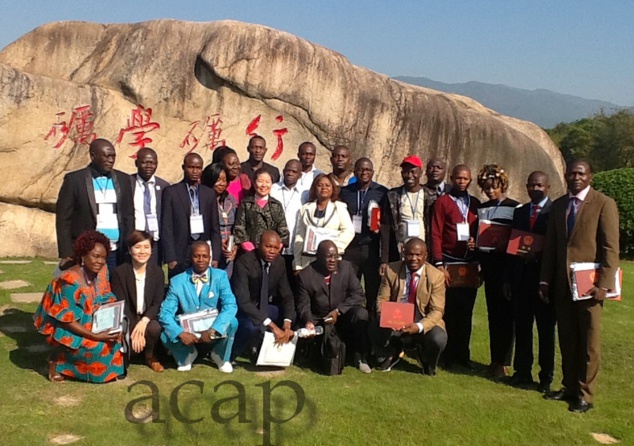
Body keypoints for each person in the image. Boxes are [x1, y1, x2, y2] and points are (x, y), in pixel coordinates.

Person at [540, 160, 619, 413]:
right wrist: (545, 280)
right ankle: (569, 387)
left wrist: (604, 285)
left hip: (591, 286)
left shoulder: (603, 204)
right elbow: (552, 246)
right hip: (563, 285)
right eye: (571, 173)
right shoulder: (560, 205)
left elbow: (610, 248)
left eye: (581, 173)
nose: (576, 177)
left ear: (590, 177)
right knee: (568, 339)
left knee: (589, 342)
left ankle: (585, 394)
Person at [34, 230, 124, 383]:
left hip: (93, 319)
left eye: (103, 257)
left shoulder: (102, 271)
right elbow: (65, 320)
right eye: (95, 256)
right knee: (96, 347)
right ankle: (56, 362)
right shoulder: (69, 280)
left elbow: (107, 296)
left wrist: (112, 324)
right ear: (83, 256)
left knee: (114, 340)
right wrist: (95, 335)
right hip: (71, 325)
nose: (100, 261)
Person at [504, 171, 556, 392]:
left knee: (545, 331)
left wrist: (538, 256)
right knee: (523, 328)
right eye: (531, 185)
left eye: (539, 185)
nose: (535, 188)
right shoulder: (521, 212)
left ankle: (546, 377)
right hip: (520, 279)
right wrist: (507, 279)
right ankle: (522, 372)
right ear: (526, 187)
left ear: (548, 187)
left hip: (543, 280)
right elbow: (512, 246)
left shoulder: (555, 212)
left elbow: (556, 247)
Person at [371, 238, 447, 375]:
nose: (413, 258)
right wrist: (385, 317)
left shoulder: (436, 276)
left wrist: (419, 326)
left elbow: (437, 310)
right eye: (410, 254)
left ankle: (426, 361)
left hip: (422, 319)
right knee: (374, 324)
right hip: (396, 319)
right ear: (403, 254)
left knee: (438, 337)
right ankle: (389, 354)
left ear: (425, 256)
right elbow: (382, 299)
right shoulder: (391, 270)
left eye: (418, 255)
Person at [158, 242, 238, 373]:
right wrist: (180, 333)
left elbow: (230, 305)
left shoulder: (220, 276)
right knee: (165, 335)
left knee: (233, 322)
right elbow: (165, 312)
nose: (201, 260)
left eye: (205, 256)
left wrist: (214, 329)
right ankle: (187, 354)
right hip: (189, 329)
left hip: (211, 326)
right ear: (190, 257)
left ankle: (219, 355)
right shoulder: (177, 281)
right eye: (197, 256)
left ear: (210, 257)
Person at [56, 138, 134, 271]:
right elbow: (63, 218)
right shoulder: (74, 180)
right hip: (88, 252)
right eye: (106, 156)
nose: (111, 160)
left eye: (113, 156)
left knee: (113, 289)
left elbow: (129, 214)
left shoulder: (123, 179)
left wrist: (130, 244)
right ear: (93, 156)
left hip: (116, 250)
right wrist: (66, 252)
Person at [430, 164, 480, 370]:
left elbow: (481, 231)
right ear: (451, 178)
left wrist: (475, 246)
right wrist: (439, 263)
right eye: (458, 178)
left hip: (468, 264)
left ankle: (463, 354)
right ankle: (447, 355)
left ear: (470, 181)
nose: (461, 181)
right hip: (448, 263)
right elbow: (436, 232)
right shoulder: (442, 202)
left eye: (465, 179)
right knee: (448, 311)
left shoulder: (475, 203)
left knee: (466, 313)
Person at [296, 241, 371, 373]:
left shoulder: (346, 268)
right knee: (300, 328)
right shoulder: (306, 276)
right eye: (328, 257)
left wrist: (338, 311)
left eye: (335, 256)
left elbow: (358, 295)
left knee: (361, 314)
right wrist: (308, 321)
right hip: (320, 319)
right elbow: (304, 304)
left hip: (342, 315)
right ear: (318, 257)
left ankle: (360, 356)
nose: (333, 260)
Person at [476, 164, 519, 379]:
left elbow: (518, 239)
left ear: (502, 185)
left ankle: (504, 362)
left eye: (494, 187)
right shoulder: (482, 209)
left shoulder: (515, 207)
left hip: (506, 266)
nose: (490, 191)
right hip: (489, 266)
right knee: (493, 314)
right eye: (486, 187)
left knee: (507, 315)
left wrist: (506, 243)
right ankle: (494, 360)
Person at [231, 231, 296, 362]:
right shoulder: (244, 263)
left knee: (289, 313)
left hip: (265, 306)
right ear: (258, 245)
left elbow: (287, 295)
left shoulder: (279, 262)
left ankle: (277, 353)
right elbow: (243, 301)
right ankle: (233, 353)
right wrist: (272, 326)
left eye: (276, 248)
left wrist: (287, 323)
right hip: (244, 310)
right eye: (268, 247)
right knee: (252, 326)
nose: (272, 251)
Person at [110, 230, 165, 372]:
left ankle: (150, 356)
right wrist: (135, 328)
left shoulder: (157, 272)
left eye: (146, 247)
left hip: (147, 318)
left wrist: (143, 322)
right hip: (127, 317)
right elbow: (121, 304)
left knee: (154, 328)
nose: (142, 251)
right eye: (137, 247)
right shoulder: (119, 273)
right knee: (128, 343)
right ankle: (129, 353)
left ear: (152, 250)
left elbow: (157, 303)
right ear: (129, 250)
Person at [340, 158, 387, 317]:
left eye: (368, 170)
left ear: (372, 173)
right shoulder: (345, 192)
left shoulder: (382, 192)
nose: (364, 173)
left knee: (373, 289)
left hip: (371, 248)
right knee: (349, 289)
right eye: (361, 169)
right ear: (354, 172)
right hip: (350, 248)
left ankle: (371, 323)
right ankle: (350, 322)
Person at [161, 153, 222, 278]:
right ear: (184, 167)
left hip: (202, 250)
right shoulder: (171, 192)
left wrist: (215, 256)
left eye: (198, 168)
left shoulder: (209, 193)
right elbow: (166, 227)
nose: (195, 171)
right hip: (180, 252)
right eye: (191, 167)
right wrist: (170, 257)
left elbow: (215, 227)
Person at [293, 173, 355, 271]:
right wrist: (297, 263)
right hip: (308, 261)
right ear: (314, 188)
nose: (324, 188)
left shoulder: (339, 208)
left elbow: (349, 232)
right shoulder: (305, 209)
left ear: (332, 188)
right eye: (320, 185)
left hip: (331, 261)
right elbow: (299, 236)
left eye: (327, 185)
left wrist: (332, 248)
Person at [380, 155, 426, 270]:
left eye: (413, 171)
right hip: (400, 251)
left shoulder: (430, 196)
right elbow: (385, 228)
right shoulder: (392, 196)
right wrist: (384, 260)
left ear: (420, 172)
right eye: (406, 172)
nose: (409, 175)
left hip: (424, 253)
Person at [270, 159, 309, 284]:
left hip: (295, 246)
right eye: (288, 170)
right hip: (275, 245)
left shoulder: (305, 193)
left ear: (300, 175)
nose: (290, 174)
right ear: (283, 171)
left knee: (293, 284)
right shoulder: (273, 188)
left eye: (294, 171)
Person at [129, 147, 170, 265]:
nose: (148, 166)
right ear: (136, 163)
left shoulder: (164, 186)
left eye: (152, 163)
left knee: (154, 275)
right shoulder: (128, 183)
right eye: (144, 162)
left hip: (155, 242)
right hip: (135, 241)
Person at [233, 168, 289, 254]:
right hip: (248, 254)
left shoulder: (276, 205)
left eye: (267, 182)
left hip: (272, 254)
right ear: (254, 183)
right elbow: (239, 228)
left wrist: (274, 249)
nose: (264, 185)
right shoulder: (246, 204)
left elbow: (283, 231)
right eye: (260, 181)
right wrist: (250, 249)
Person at [201, 163, 238, 275]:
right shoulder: (203, 199)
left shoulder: (230, 199)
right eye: (218, 180)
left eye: (224, 180)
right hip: (210, 249)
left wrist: (235, 246)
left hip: (229, 250)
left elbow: (237, 225)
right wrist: (218, 244)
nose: (222, 184)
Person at [422, 158, 451, 249]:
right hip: (426, 239)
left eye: (439, 167)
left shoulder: (453, 192)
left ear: (445, 172)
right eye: (431, 167)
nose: (435, 170)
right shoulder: (419, 191)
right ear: (426, 172)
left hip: (447, 241)